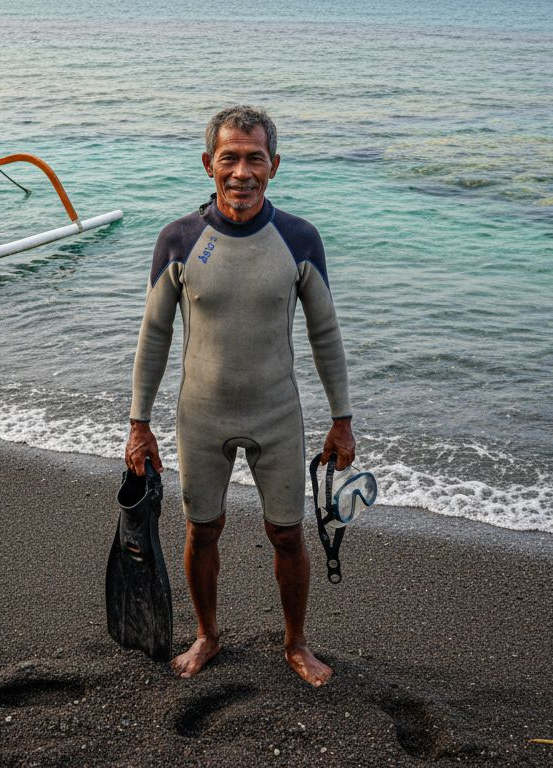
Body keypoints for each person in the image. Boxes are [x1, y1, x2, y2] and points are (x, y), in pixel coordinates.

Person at [125, 106, 355, 687]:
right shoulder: (179, 240)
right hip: (200, 416)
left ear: (274, 166)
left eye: (255, 158)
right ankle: (207, 635)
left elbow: (325, 334)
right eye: (229, 157)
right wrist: (139, 423)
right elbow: (154, 336)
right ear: (209, 164)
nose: (241, 171)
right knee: (202, 530)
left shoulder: (299, 239)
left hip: (278, 416)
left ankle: (296, 644)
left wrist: (342, 421)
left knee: (288, 534)